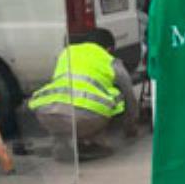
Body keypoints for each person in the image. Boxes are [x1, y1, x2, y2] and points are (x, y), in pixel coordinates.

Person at [27, 28, 139, 161]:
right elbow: (128, 93)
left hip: (46, 114)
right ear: (109, 49)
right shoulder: (110, 60)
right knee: (116, 97)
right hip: (84, 119)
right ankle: (94, 142)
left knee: (67, 100)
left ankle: (63, 142)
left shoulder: (66, 53)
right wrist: (131, 126)